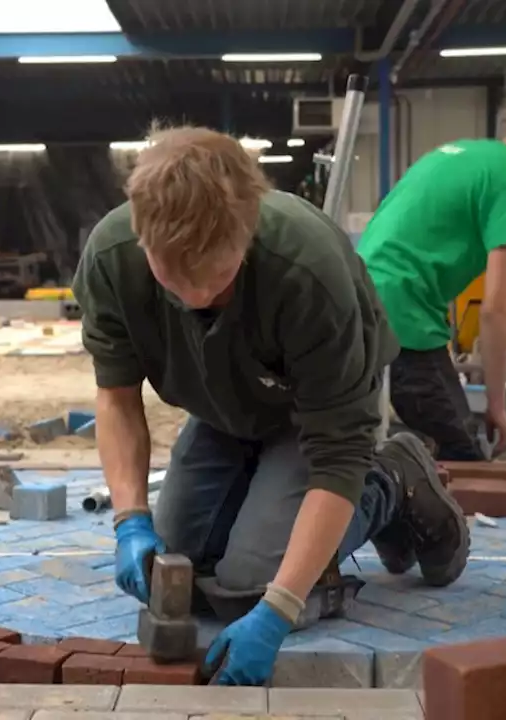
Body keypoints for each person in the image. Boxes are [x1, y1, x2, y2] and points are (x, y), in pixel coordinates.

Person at [72, 126, 469, 687]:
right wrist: (130, 520)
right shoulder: (112, 260)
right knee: (178, 562)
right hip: (223, 409)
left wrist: (279, 610)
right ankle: (263, 503)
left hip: (310, 417)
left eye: (215, 279)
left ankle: (393, 482)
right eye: (173, 279)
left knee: (250, 586)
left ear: (248, 229)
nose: (195, 298)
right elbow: (115, 397)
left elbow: (335, 454)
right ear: (141, 237)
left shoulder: (309, 274)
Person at [356, 104, 506, 461]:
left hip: (363, 288)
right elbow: (496, 309)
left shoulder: (461, 153)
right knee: (460, 451)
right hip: (402, 306)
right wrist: (495, 404)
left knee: (446, 423)